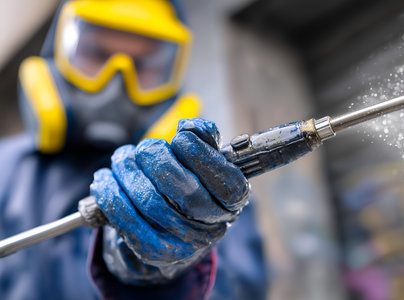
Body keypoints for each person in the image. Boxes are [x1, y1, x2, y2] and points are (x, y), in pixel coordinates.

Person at [0, 0, 267, 299]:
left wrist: (167, 279)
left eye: (143, 65)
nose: (117, 81)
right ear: (58, 52)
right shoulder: (4, 170)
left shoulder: (206, 192)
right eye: (97, 54)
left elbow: (239, 289)